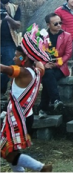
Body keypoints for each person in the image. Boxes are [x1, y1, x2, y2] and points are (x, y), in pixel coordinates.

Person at [0, 25, 53, 172]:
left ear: (24, 58)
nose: (14, 58)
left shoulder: (22, 72)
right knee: (11, 153)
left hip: (18, 118)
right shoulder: (38, 71)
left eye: (17, 56)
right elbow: (40, 63)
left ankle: (40, 167)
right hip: (25, 116)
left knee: (7, 153)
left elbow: (4, 68)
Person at [38, 13, 73, 119]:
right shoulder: (41, 36)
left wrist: (57, 64)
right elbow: (36, 53)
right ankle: (56, 100)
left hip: (60, 67)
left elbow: (68, 54)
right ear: (48, 25)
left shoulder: (67, 36)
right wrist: (44, 64)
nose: (59, 25)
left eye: (60, 22)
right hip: (46, 66)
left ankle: (43, 108)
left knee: (48, 78)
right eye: (55, 23)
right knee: (48, 74)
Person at [0, 0, 22, 97]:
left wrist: (8, 18)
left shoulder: (15, 8)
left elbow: (18, 25)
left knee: (8, 66)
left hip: (9, 42)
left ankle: (1, 90)